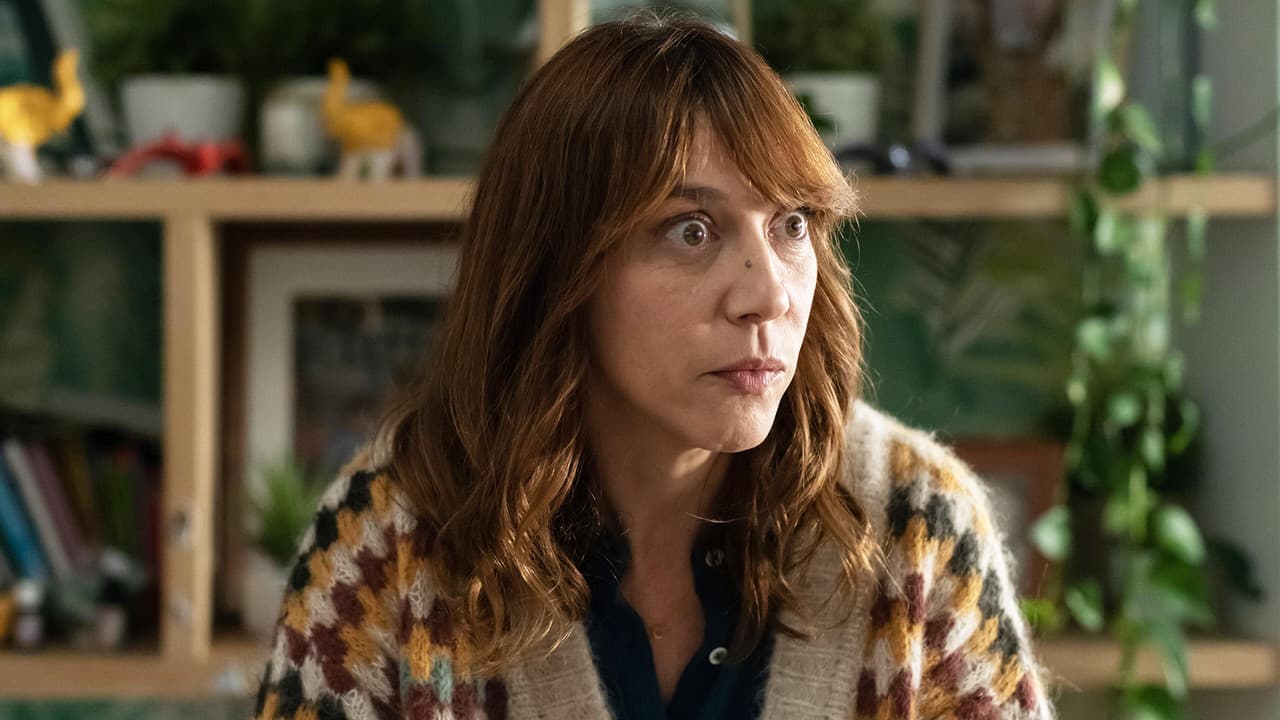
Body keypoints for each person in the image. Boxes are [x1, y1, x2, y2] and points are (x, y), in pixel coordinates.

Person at [252, 13, 1055, 720]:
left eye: (792, 224)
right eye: (691, 230)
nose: (769, 296)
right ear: (556, 268)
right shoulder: (390, 543)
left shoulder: (915, 527)